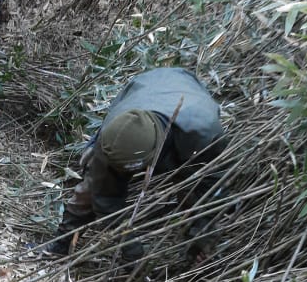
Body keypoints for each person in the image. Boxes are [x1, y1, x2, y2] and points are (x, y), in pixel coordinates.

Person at [46, 67, 227, 260]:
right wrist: (129, 248)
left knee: (194, 192)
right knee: (93, 185)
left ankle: (194, 257)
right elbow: (105, 198)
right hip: (141, 90)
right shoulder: (113, 137)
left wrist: (202, 233)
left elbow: (212, 189)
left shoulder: (203, 136)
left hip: (184, 94)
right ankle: (60, 244)